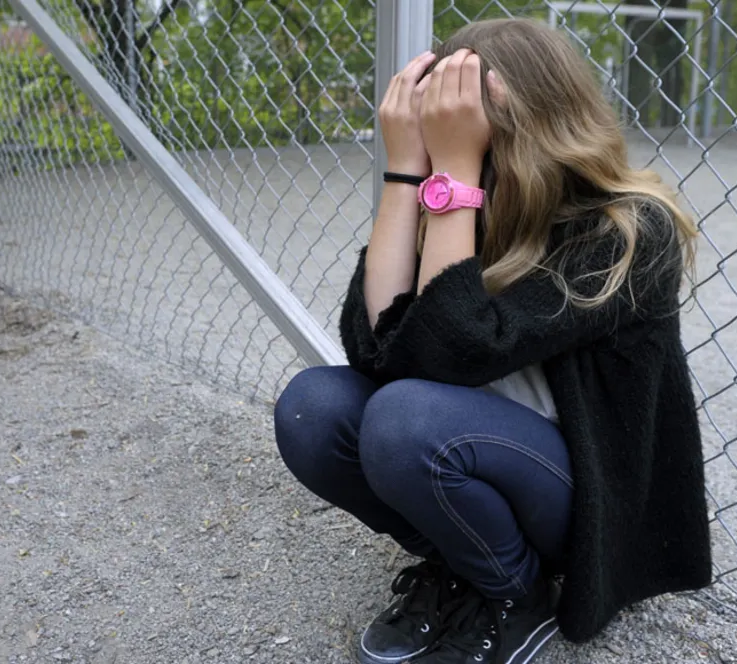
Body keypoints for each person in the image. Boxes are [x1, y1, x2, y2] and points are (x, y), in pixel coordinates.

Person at [273, 18, 711, 664]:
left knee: (404, 421)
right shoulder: (466, 203)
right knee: (312, 410)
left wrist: (454, 172)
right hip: (467, 445)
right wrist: (405, 174)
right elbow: (377, 353)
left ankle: (514, 590)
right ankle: (462, 561)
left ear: (531, 119)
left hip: (579, 501)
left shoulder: (628, 230)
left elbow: (450, 358)